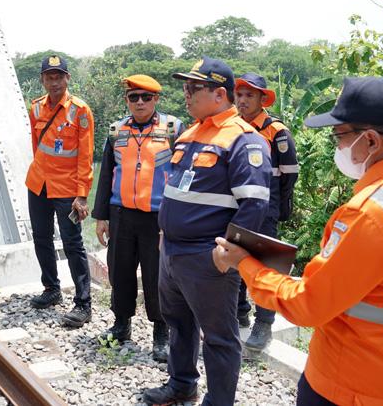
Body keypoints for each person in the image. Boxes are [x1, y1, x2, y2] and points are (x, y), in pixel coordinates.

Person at [214, 76, 383, 406]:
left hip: (351, 386)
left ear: (370, 140)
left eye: (339, 136)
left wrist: (244, 263)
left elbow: (307, 305)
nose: (338, 147)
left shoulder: (373, 214)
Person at [143, 56, 272, 406]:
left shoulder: (244, 139)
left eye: (193, 88)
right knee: (178, 323)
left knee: (218, 336)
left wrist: (226, 254)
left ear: (219, 94)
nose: (186, 94)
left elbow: (255, 204)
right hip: (172, 250)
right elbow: (178, 188)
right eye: (185, 87)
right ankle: (182, 384)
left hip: (207, 255)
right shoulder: (190, 133)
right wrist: (165, 232)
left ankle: (219, 401)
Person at [91, 74, 185, 362]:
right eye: (134, 97)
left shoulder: (173, 128)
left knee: (158, 275)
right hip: (121, 214)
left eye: (146, 97)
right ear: (127, 100)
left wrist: (177, 218)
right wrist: (101, 216)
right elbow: (106, 173)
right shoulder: (116, 130)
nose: (140, 102)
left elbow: (183, 175)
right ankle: (121, 324)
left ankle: (161, 332)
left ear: (156, 99)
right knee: (119, 270)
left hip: (158, 217)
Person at [26, 55, 95, 328]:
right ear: (42, 79)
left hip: (67, 189)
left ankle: (83, 304)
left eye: (59, 77)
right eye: (49, 77)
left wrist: (82, 194)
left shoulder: (80, 111)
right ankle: (51, 289)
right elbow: (36, 146)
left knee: (73, 244)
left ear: (67, 78)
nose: (54, 82)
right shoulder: (35, 108)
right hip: (38, 185)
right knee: (41, 238)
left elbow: (85, 156)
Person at [234, 73, 299, 350]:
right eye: (239, 95)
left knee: (266, 265)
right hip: (237, 206)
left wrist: (275, 207)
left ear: (263, 99)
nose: (243, 100)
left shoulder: (276, 131)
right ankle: (239, 312)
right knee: (235, 258)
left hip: (265, 208)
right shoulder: (233, 128)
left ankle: (264, 323)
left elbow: (289, 175)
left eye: (249, 95)